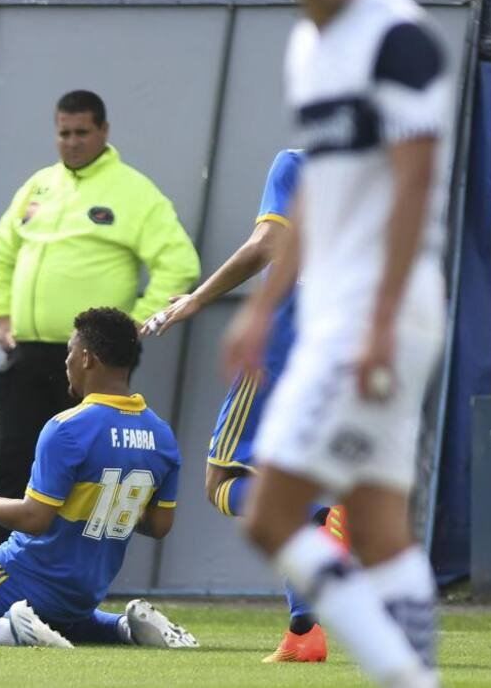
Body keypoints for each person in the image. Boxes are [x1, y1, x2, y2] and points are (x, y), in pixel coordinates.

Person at [222, 0, 452, 686]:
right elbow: (315, 193)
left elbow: (417, 182)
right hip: (341, 309)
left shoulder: (397, 35)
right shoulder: (306, 48)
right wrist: (259, 304)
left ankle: (404, 675)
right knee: (382, 528)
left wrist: (381, 320)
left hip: (375, 308)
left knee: (270, 511)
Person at [0, 308, 197, 650]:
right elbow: (160, 525)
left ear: (86, 358)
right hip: (84, 590)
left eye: (69, 352)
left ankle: (9, 631)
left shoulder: (68, 428)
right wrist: (105, 502)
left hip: (26, 573)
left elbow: (33, 520)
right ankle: (126, 628)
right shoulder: (161, 434)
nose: (66, 362)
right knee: (59, 618)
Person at [144, 148, 348, 663]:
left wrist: (197, 298)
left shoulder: (298, 163)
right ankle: (304, 631)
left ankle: (323, 523)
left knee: (222, 482)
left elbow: (266, 244)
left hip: (280, 352)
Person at [0, 90, 199, 549]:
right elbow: (0, 253)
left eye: (82, 132)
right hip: (31, 350)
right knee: (13, 455)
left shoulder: (133, 190)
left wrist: (132, 328)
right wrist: (1, 312)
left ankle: (71, 561)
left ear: (104, 131)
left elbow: (178, 265)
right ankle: (2, 556)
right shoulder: (38, 185)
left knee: (86, 466)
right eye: (64, 133)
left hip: (94, 360)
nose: (73, 142)